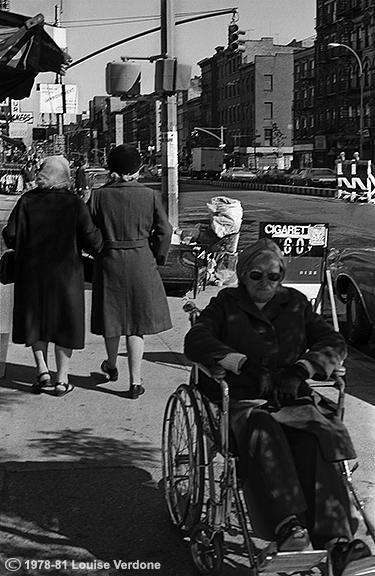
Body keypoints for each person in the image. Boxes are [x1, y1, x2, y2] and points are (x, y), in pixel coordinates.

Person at [184, 238, 372, 573]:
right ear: (243, 275)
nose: (265, 284)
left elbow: (332, 340)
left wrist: (304, 368)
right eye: (257, 275)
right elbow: (197, 339)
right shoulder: (225, 303)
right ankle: (288, 526)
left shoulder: (296, 303)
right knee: (263, 429)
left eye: (273, 277)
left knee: (316, 436)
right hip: (242, 399)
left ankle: (338, 543)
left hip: (291, 397)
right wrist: (239, 363)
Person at [2, 156, 103, 396]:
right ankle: (62, 379)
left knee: (36, 322)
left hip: (32, 273)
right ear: (66, 177)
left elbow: (10, 235)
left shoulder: (26, 201)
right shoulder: (74, 204)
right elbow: (93, 241)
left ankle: (42, 372)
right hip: (66, 274)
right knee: (64, 323)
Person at [89, 144, 172, 399]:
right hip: (141, 260)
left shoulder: (98, 196)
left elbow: (87, 230)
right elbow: (165, 231)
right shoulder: (149, 195)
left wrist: (98, 249)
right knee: (136, 324)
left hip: (109, 260)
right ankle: (135, 382)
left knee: (111, 318)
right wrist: (157, 256)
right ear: (137, 169)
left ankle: (111, 365)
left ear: (111, 168)